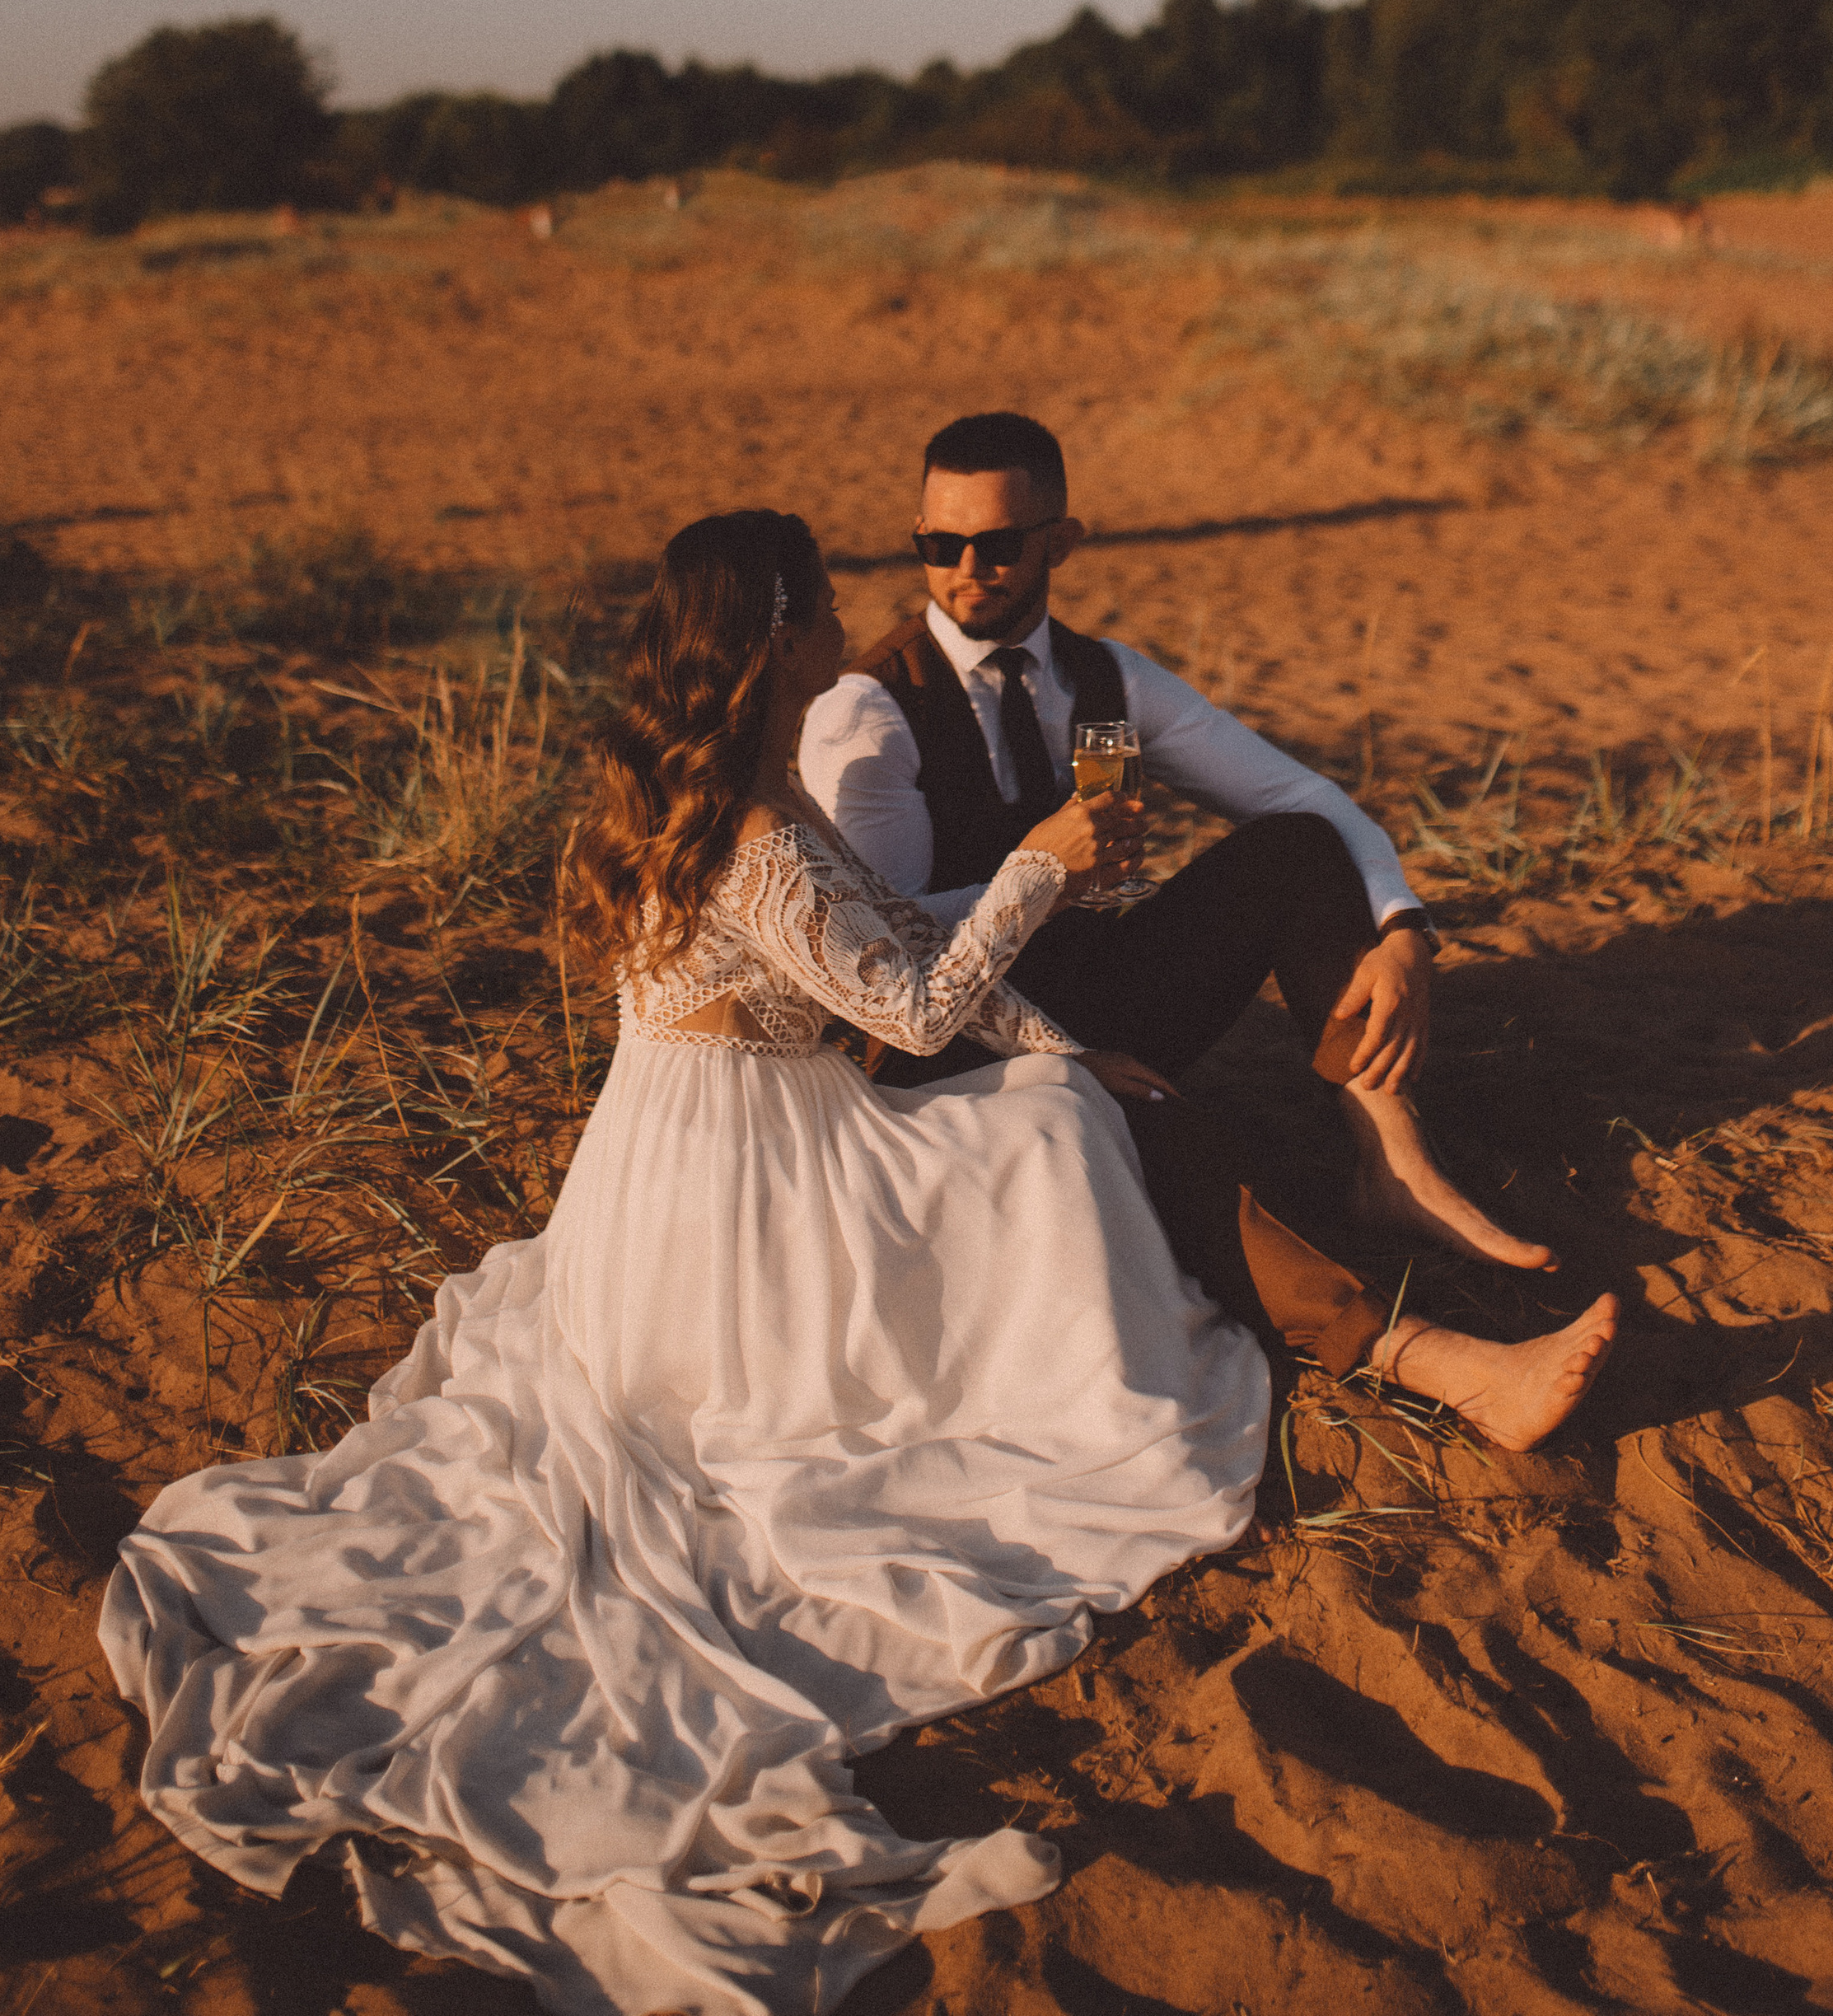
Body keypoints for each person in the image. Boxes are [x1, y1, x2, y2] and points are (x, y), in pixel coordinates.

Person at [102, 510, 1616, 2016]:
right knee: (1043, 1148)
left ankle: (1380, 1316)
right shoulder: (756, 833)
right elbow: (905, 1007)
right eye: (821, 607)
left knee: (1065, 1099)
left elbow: (894, 952)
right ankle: (1397, 1347)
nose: (847, 623)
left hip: (697, 1155)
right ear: (777, 642)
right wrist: (1038, 871)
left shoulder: (732, 793)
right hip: (750, 1194)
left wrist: (1076, 1039)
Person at [798, 409, 1553, 1275]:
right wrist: (1041, 878)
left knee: (1298, 847)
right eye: (940, 545)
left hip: (1105, 988)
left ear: (1062, 541)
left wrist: (1404, 927)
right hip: (963, 1039)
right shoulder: (867, 709)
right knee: (1183, 1157)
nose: (967, 572)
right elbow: (884, 951)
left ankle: (1398, 1163)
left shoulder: (1108, 677)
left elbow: (1300, 794)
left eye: (1000, 544)